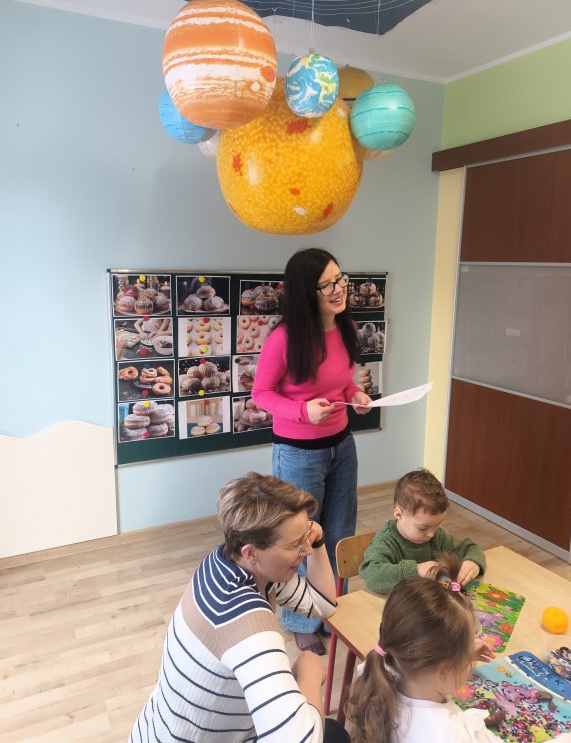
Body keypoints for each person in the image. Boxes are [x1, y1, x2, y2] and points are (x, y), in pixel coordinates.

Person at [129, 472, 350, 743]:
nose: (306, 550)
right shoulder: (246, 621)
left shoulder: (232, 563)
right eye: (295, 544)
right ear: (251, 552)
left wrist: (317, 541)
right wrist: (308, 673)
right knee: (335, 735)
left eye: (306, 535)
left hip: (157, 730)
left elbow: (323, 604)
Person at [252, 248, 372, 655]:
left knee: (339, 532)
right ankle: (301, 621)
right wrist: (303, 411)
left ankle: (330, 610)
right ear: (306, 292)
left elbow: (342, 382)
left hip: (342, 444)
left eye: (340, 280)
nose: (339, 290)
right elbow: (261, 394)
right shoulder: (283, 339)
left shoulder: (346, 327)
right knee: (300, 539)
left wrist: (356, 395)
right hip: (299, 451)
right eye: (327, 285)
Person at [347, 556, 571, 743]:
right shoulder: (456, 735)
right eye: (466, 658)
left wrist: (457, 653)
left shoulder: (381, 667)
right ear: (443, 670)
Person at [360, 468, 486, 593]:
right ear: (399, 514)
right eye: (423, 528)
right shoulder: (385, 541)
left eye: (436, 525)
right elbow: (372, 575)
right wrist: (417, 570)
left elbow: (470, 548)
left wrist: (473, 562)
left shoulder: (437, 536)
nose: (431, 534)